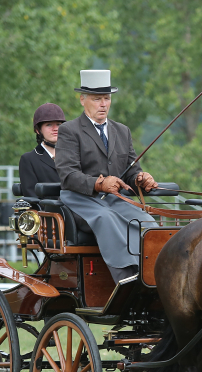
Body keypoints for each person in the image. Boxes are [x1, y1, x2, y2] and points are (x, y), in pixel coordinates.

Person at [55, 70, 159, 283]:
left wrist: (141, 179)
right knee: (107, 219)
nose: (103, 104)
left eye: (107, 98)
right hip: (80, 201)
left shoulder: (122, 131)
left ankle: (156, 271)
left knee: (146, 222)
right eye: (97, 99)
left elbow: (131, 171)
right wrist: (100, 183)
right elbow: (68, 175)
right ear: (83, 100)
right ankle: (127, 278)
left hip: (115, 200)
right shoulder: (69, 131)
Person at [18, 103, 66, 197]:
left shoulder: (73, 155)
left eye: (58, 124)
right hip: (47, 210)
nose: (55, 129)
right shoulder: (29, 159)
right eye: (49, 125)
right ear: (38, 130)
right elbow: (31, 196)